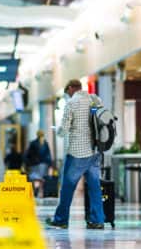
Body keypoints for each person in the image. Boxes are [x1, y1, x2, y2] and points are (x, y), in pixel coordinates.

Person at [45, 79, 105, 230]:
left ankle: (61, 220)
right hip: (95, 151)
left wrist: (57, 129)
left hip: (78, 153)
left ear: (71, 88)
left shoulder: (72, 103)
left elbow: (63, 130)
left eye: (67, 93)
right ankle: (97, 220)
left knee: (67, 187)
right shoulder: (95, 99)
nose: (67, 96)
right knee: (95, 187)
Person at [24, 130, 53, 197]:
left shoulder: (33, 143)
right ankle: (40, 191)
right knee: (40, 178)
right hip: (43, 165)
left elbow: (28, 154)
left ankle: (36, 190)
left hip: (34, 164)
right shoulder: (45, 143)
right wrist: (50, 165)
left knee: (36, 178)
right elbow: (48, 155)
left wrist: (26, 164)